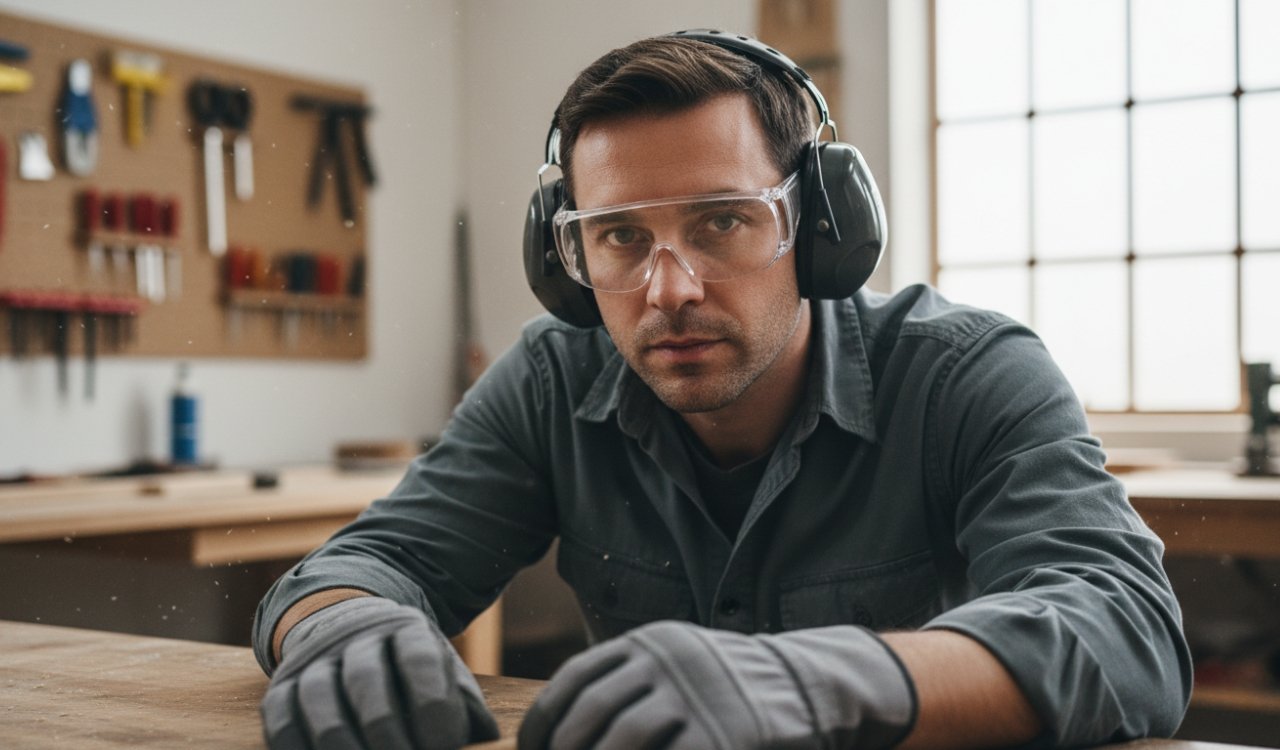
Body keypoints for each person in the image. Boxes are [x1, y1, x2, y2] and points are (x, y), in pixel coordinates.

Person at [252, 29, 1192, 750]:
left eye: (723, 223)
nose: (671, 288)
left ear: (821, 229)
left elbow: (1125, 626)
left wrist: (825, 683)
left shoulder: (969, 374)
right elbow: (370, 563)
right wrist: (341, 626)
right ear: (566, 256)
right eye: (620, 237)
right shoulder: (552, 380)